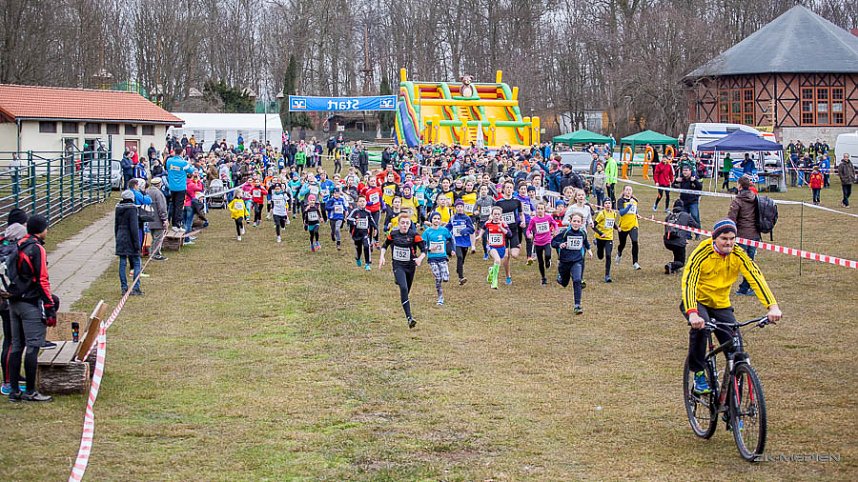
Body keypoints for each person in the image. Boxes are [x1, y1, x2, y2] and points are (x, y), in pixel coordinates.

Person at [681, 218, 782, 394]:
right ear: (714, 238)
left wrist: (772, 306)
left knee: (736, 349)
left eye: (732, 238)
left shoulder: (738, 254)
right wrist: (693, 313)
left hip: (721, 303)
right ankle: (698, 373)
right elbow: (689, 282)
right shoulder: (701, 254)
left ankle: (732, 400)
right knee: (701, 329)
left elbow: (755, 277)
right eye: (724, 238)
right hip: (698, 301)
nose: (728, 242)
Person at [7, 215, 57, 402]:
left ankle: (14, 390)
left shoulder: (19, 243)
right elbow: (42, 279)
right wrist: (50, 306)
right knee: (33, 347)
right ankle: (30, 391)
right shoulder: (37, 248)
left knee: (17, 346)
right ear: (41, 230)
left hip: (14, 302)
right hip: (30, 302)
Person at [378, 214, 425, 328]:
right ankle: (409, 318)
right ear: (398, 224)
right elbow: (385, 246)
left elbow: (424, 250)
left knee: (406, 291)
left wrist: (420, 258)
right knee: (403, 288)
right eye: (402, 223)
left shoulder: (414, 235)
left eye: (407, 223)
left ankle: (399, 281)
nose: (405, 225)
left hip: (410, 266)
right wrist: (382, 256)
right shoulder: (393, 234)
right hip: (398, 265)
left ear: (410, 224)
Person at [1, 209, 28, 396]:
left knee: (12, 340)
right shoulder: (14, 247)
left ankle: (14, 375)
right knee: (12, 341)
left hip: (5, 298)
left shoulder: (3, 242)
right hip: (8, 300)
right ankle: (8, 382)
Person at [551, 212, 593, 315]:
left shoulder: (582, 233)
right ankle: (561, 278)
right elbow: (553, 242)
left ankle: (577, 305)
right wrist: (560, 244)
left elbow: (585, 242)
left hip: (577, 260)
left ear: (581, 223)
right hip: (564, 262)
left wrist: (589, 250)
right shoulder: (565, 232)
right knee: (564, 283)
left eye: (578, 221)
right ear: (570, 221)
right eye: (574, 221)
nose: (576, 223)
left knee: (577, 280)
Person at [727, 175, 761, 296]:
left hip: (743, 235)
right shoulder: (755, 198)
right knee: (750, 262)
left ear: (740, 186)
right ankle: (750, 286)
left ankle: (744, 288)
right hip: (755, 234)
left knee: (740, 262)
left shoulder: (738, 200)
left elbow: (731, 219)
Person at [115, 190, 143, 296]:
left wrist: (117, 238)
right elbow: (134, 228)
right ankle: (136, 287)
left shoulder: (118, 208)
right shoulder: (132, 209)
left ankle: (124, 287)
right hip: (130, 237)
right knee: (137, 261)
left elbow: (116, 225)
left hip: (120, 236)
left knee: (122, 262)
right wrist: (137, 244)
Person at [423, 212, 453, 305]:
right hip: (432, 258)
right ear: (431, 220)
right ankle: (440, 297)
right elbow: (422, 245)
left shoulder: (444, 230)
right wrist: (429, 249)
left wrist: (452, 249)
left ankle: (446, 274)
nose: (436, 220)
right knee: (438, 277)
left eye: (438, 219)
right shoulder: (427, 232)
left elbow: (451, 239)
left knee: (445, 277)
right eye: (434, 218)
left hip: (442, 257)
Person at [526, 201, 558, 285]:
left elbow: (555, 224)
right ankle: (543, 278)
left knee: (548, 255)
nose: (540, 210)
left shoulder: (548, 217)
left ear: (544, 210)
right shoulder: (533, 220)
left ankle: (548, 261)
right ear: (536, 210)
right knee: (540, 262)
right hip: (538, 242)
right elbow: (528, 229)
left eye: (541, 209)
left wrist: (556, 230)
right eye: (538, 209)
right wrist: (529, 234)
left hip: (547, 241)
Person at [663, 200, 698, 274]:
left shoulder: (668, 216)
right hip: (679, 242)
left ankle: (674, 268)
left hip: (668, 241)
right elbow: (695, 225)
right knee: (682, 262)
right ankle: (670, 265)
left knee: (677, 253)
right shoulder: (686, 215)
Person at [165, 147, 195, 231]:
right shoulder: (183, 163)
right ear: (182, 153)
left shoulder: (169, 161)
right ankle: (177, 224)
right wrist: (189, 163)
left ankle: (173, 223)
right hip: (181, 187)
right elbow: (191, 171)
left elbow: (167, 168)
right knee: (179, 206)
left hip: (172, 186)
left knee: (173, 205)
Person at [447, 199, 476, 285]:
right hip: (456, 241)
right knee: (459, 257)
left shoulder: (467, 218)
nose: (459, 208)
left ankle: (459, 269)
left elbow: (472, 229)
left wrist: (465, 230)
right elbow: (449, 227)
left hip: (465, 241)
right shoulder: (453, 218)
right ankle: (461, 277)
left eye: (461, 207)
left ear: (463, 208)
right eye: (458, 207)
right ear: (455, 208)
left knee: (462, 259)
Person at [347, 196, 377, 271]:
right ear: (357, 203)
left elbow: (372, 221)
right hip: (356, 234)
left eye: (363, 201)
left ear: (366, 203)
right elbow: (348, 219)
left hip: (365, 233)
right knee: (358, 248)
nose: (362, 203)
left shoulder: (368, 212)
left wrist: (375, 228)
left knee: (366, 246)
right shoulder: (355, 211)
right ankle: (358, 258)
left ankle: (367, 264)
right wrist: (354, 221)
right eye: (360, 201)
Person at [615, 185, 641, 270]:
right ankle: (619, 253)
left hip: (633, 224)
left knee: (635, 241)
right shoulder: (620, 201)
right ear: (623, 191)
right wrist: (629, 205)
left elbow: (635, 210)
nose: (628, 191)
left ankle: (635, 263)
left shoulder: (634, 200)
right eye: (627, 190)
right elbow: (622, 213)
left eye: (630, 190)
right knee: (622, 244)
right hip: (623, 226)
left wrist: (637, 214)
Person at [673, 166, 703, 239]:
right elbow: (673, 186)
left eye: (686, 170)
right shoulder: (681, 178)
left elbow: (700, 187)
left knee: (695, 217)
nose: (685, 172)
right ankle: (687, 235)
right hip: (684, 202)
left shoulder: (694, 178)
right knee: (684, 218)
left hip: (693, 201)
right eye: (683, 170)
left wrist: (695, 181)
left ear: (690, 171)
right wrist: (676, 181)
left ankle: (698, 233)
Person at [593, 199, 617, 283]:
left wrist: (617, 228)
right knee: (600, 256)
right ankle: (596, 242)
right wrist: (600, 233)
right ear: (603, 205)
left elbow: (612, 223)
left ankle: (607, 275)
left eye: (609, 203)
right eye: (606, 203)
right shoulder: (601, 214)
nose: (608, 205)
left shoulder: (614, 213)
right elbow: (593, 226)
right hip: (600, 238)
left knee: (608, 255)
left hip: (609, 238)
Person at [147, 177, 169, 261]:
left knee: (153, 237)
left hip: (149, 218)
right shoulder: (158, 193)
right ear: (159, 184)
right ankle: (155, 254)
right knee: (158, 238)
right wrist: (165, 219)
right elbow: (162, 207)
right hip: (157, 220)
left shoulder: (147, 191)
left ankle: (151, 253)